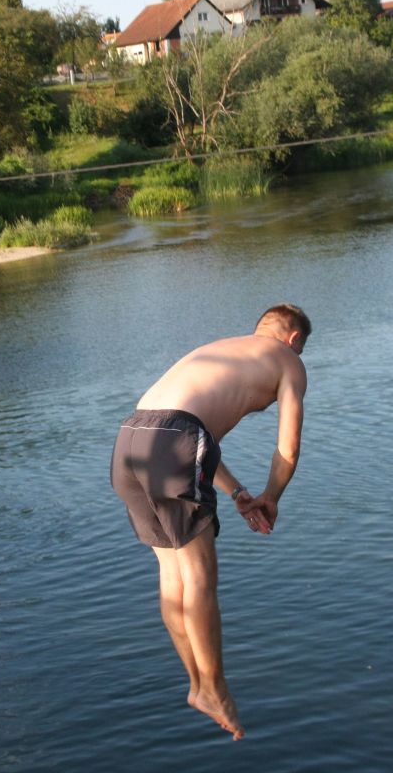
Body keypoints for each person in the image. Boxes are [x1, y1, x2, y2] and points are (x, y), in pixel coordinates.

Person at [110, 303, 311, 741]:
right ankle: (215, 688)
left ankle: (198, 686)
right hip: (176, 440)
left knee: (173, 576)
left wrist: (238, 493)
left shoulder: (222, 349)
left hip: (130, 438)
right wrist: (271, 497)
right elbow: (289, 448)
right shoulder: (287, 360)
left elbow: (188, 432)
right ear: (293, 339)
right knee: (200, 577)